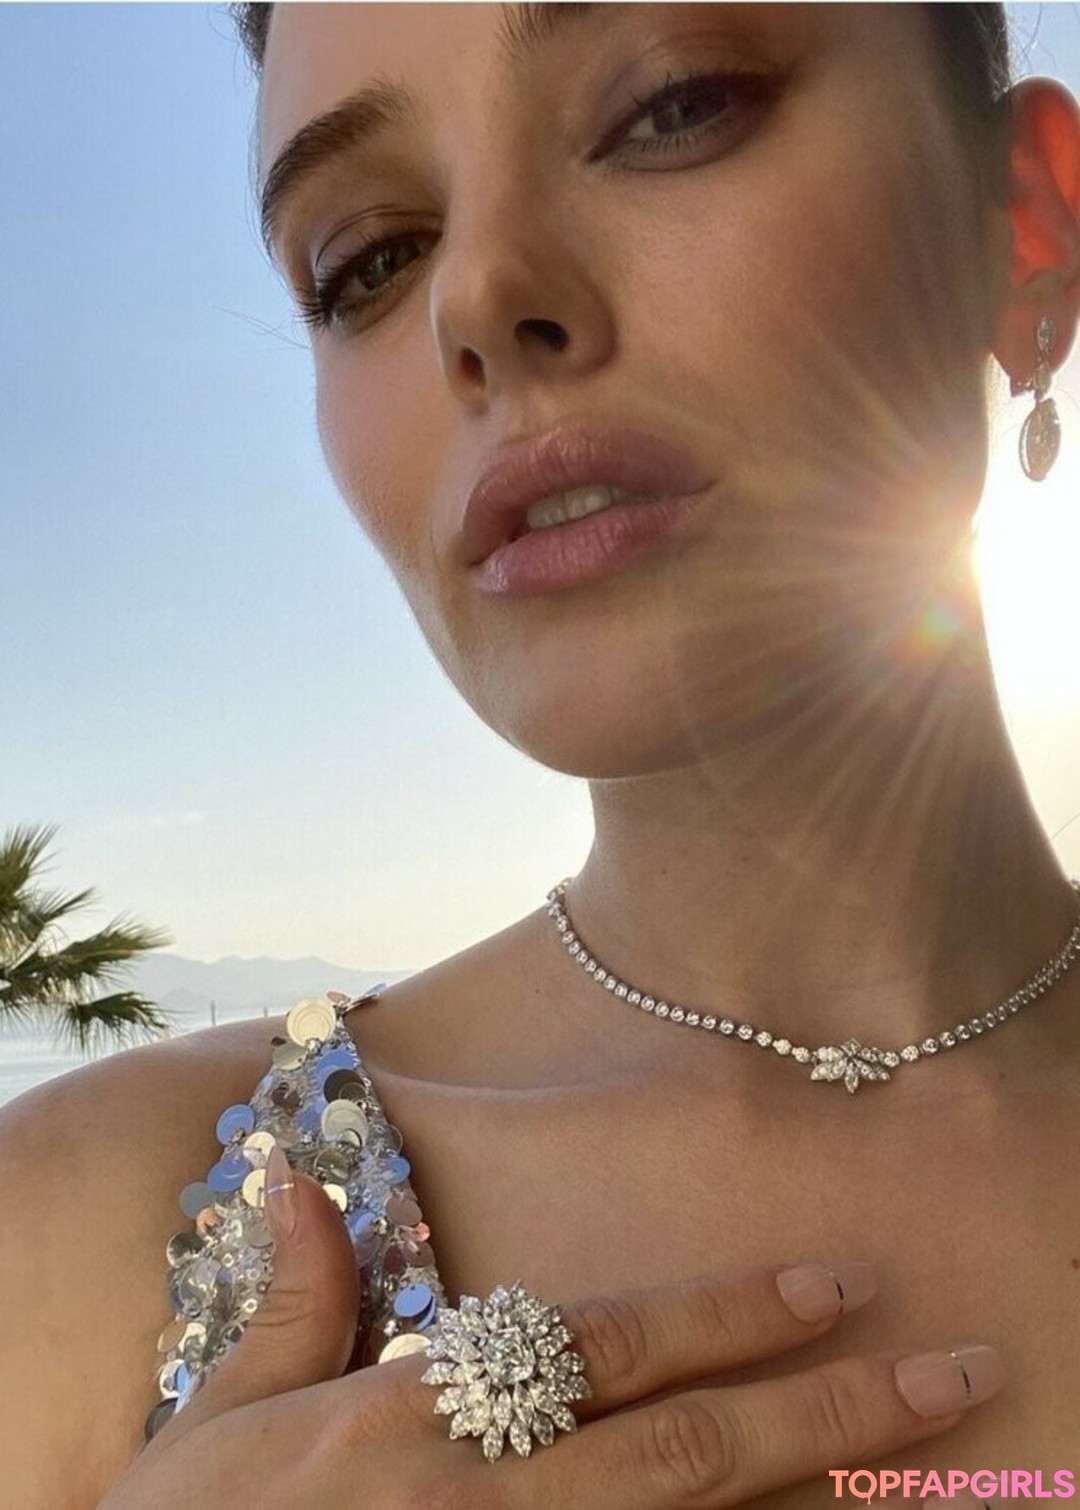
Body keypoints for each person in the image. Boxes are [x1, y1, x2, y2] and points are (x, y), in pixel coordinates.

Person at [3, 3, 1080, 1505]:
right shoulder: (74, 1234)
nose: (480, 294)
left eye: (675, 106)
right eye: (370, 258)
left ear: (1024, 227)